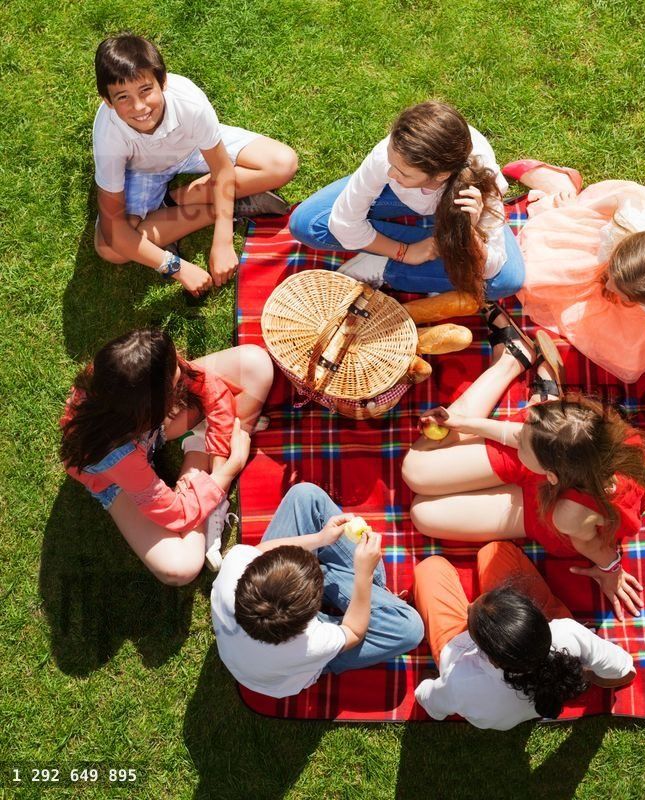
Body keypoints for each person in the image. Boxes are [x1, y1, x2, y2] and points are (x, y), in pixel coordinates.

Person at [401, 309, 645, 620]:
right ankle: (522, 370)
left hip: (542, 511)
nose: (518, 432)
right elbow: (517, 435)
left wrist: (610, 570)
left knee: (423, 514)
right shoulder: (581, 433)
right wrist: (462, 422)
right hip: (552, 458)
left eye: (525, 441)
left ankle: (535, 383)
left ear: (549, 474)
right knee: (414, 470)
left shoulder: (570, 514)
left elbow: (593, 545)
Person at [59, 328, 275, 583]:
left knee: (256, 365)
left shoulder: (135, 364)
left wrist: (218, 459)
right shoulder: (118, 456)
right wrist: (229, 469)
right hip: (118, 480)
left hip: (146, 432)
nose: (183, 376)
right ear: (152, 409)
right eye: (175, 385)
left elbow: (210, 388)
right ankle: (199, 463)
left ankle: (204, 467)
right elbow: (176, 513)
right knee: (180, 567)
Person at [91, 34, 299, 297]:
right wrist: (175, 267)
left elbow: (221, 168)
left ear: (163, 82)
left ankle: (175, 202)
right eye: (123, 97)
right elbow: (114, 230)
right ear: (107, 102)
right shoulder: (108, 133)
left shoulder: (189, 102)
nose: (139, 106)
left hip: (191, 148)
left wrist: (223, 241)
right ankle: (223, 207)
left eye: (146, 90)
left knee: (283, 163)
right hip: (141, 170)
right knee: (109, 247)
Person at [505, 159, 645, 383]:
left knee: (629, 357)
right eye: (612, 279)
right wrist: (573, 209)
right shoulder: (629, 218)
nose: (607, 286)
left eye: (621, 292)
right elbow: (603, 206)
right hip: (605, 230)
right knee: (538, 273)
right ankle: (563, 186)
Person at [288, 100, 523, 302]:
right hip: (399, 198)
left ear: (440, 176)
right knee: (306, 224)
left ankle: (384, 267)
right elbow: (342, 223)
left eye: (403, 173)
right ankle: (426, 248)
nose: (390, 174)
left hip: (449, 203)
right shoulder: (390, 156)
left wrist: (468, 232)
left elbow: (490, 267)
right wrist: (405, 252)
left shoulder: (482, 182)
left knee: (505, 281)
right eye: (391, 163)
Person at [210, 483, 424, 698]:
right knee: (409, 629)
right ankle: (348, 577)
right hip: (295, 671)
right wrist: (363, 575)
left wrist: (320, 539)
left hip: (256, 655)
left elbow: (262, 551)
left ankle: (341, 573)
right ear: (313, 614)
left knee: (305, 495)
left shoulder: (235, 565)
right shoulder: (310, 643)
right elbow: (354, 632)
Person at [413, 541, 635, 730]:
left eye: (471, 619)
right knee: (495, 550)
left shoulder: (461, 681)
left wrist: (427, 682)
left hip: (462, 659)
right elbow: (623, 671)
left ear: (487, 654)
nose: (470, 606)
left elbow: (431, 703)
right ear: (531, 612)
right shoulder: (568, 634)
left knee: (430, 568)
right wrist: (584, 674)